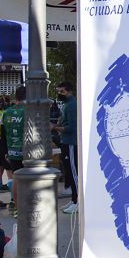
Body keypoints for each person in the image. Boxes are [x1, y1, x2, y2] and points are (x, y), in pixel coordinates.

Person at [53, 82, 79, 215]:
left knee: (74, 173)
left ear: (69, 91)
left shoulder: (72, 105)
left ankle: (78, 201)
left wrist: (55, 127)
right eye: (58, 91)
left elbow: (72, 128)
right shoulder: (67, 105)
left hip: (71, 142)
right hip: (66, 142)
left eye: (61, 91)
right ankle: (74, 199)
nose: (59, 94)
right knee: (69, 171)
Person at [0, 86, 27, 216]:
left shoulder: (6, 112)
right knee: (30, 179)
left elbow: (2, 133)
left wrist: (6, 151)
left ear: (16, 97)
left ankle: (17, 209)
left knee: (16, 177)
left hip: (12, 151)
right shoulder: (29, 110)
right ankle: (28, 207)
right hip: (29, 151)